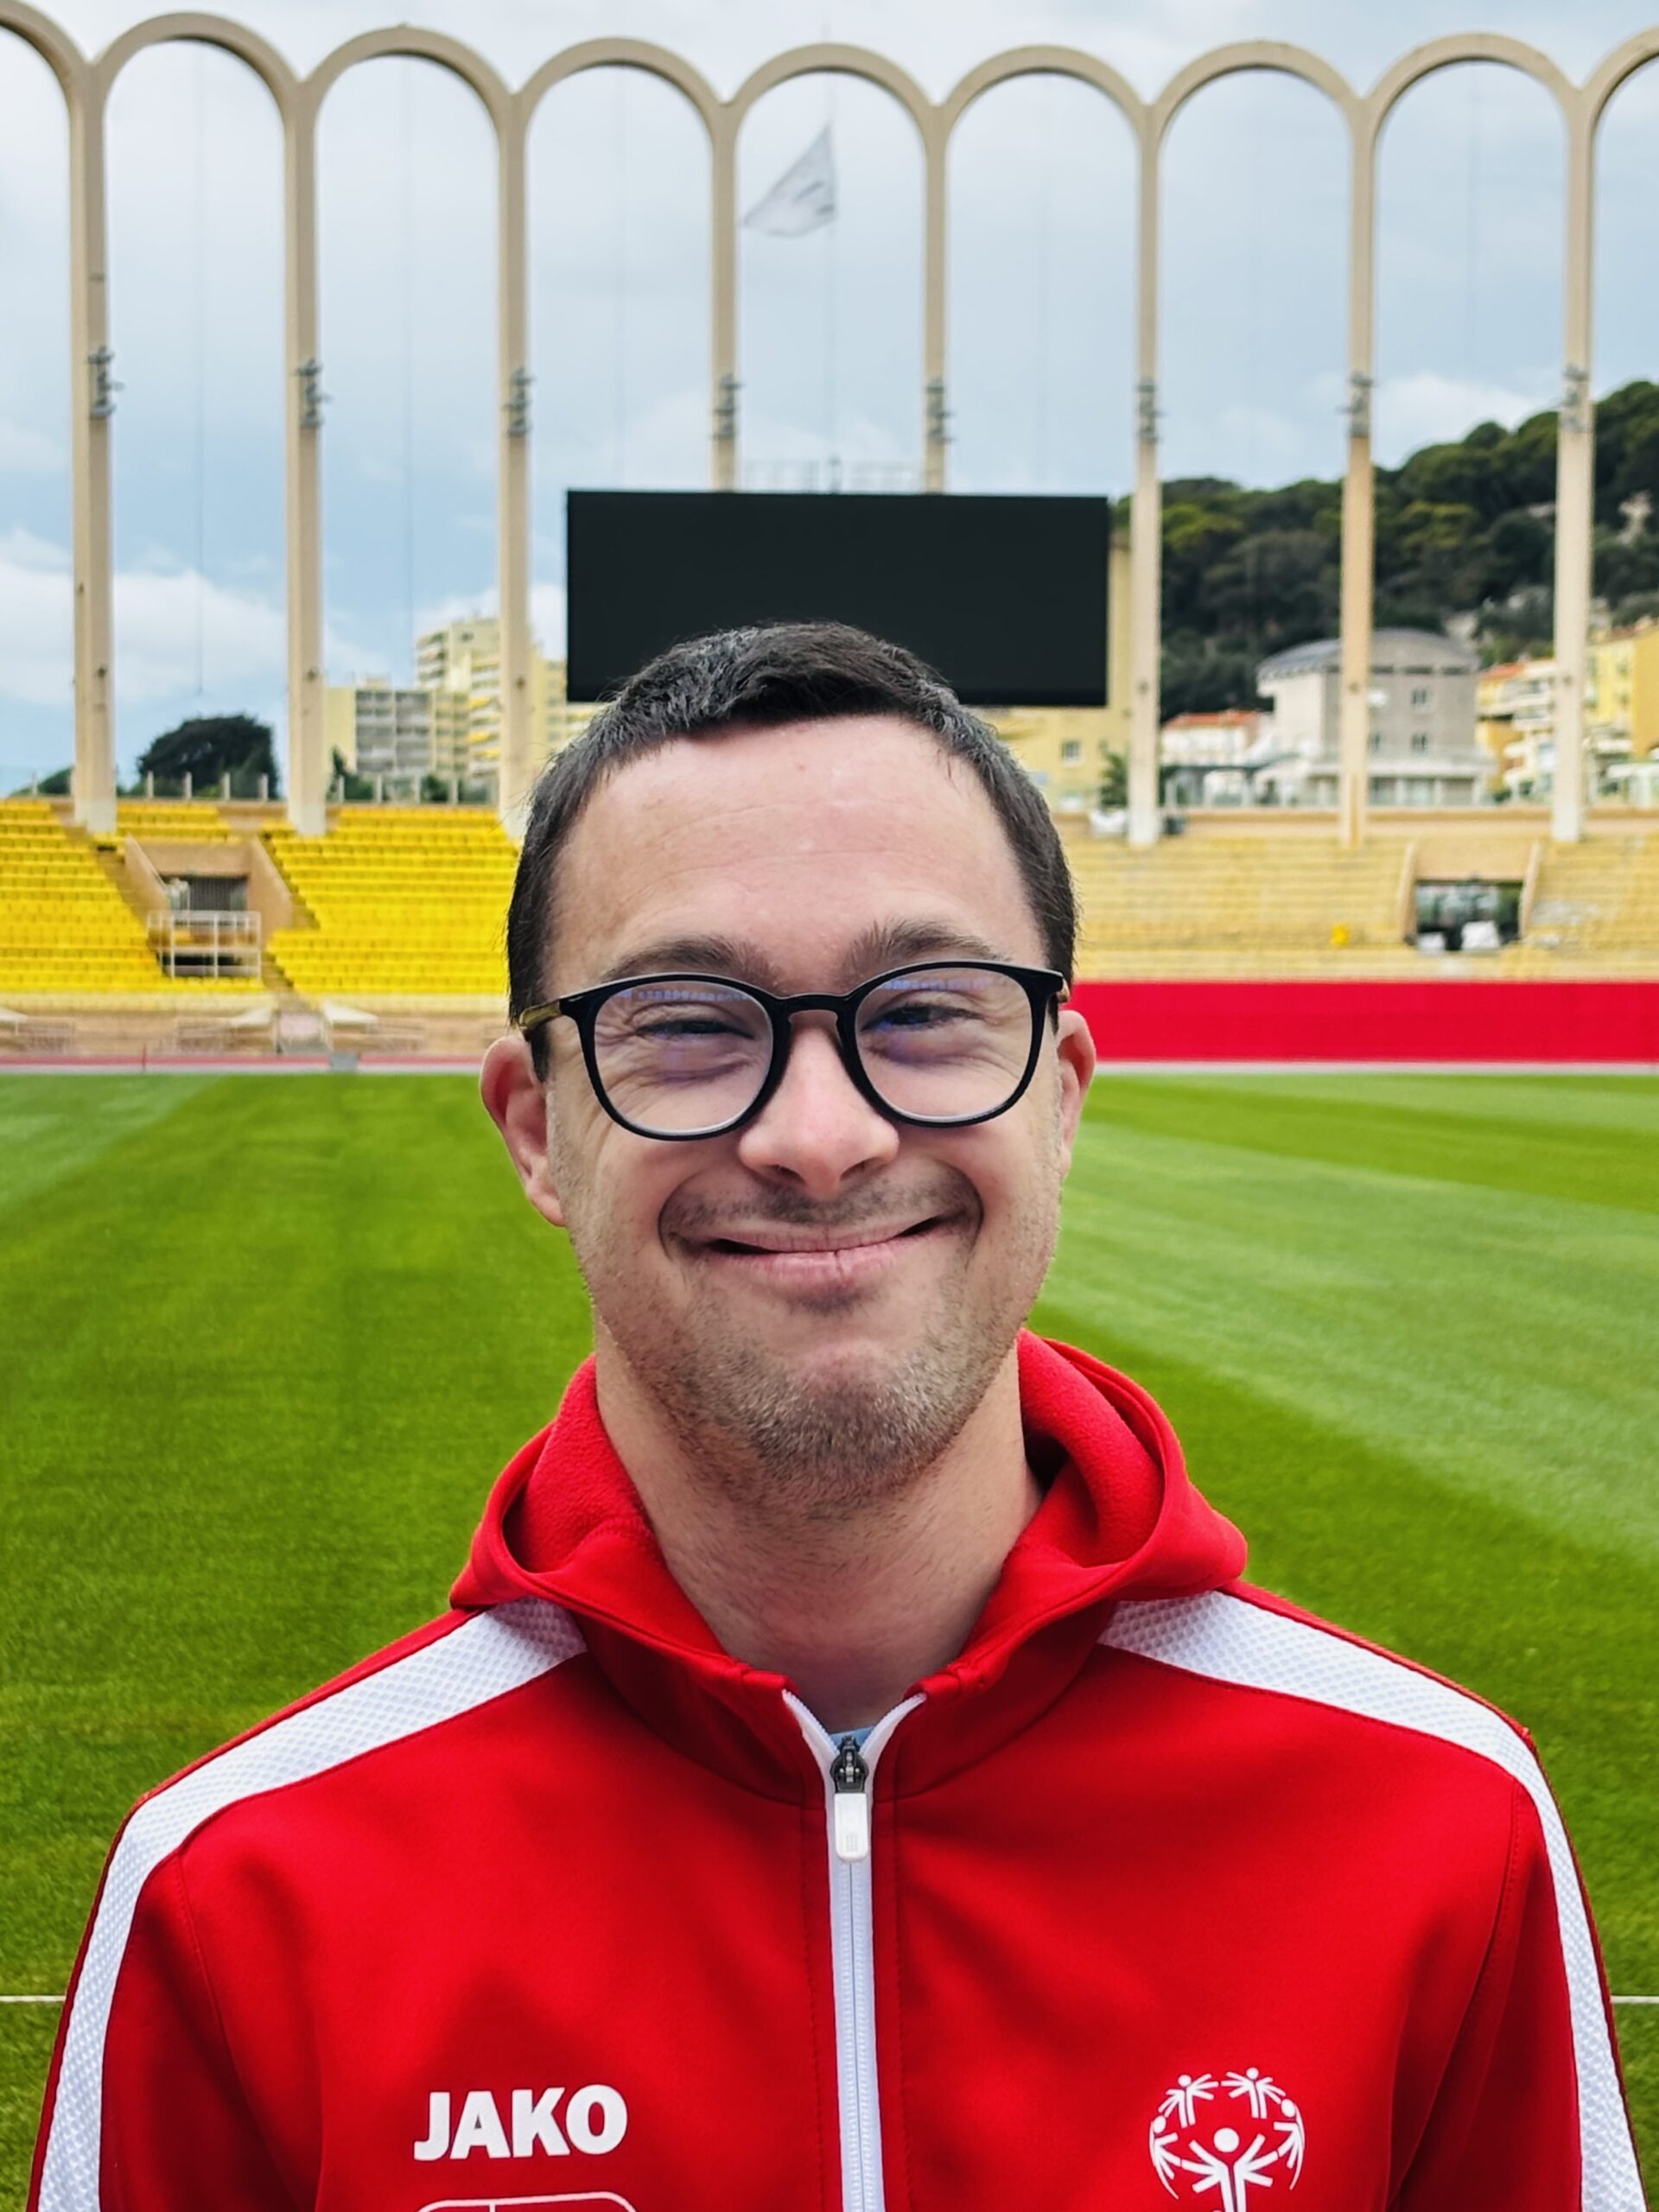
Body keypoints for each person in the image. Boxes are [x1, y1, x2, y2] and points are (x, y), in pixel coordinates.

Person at [31, 623, 1641, 2212]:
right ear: (535, 1128)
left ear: (1060, 1095)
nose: (821, 1135)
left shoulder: (1440, 1824)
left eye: (926, 1009)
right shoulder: (237, 1891)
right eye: (687, 1023)